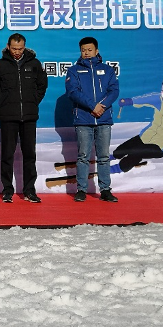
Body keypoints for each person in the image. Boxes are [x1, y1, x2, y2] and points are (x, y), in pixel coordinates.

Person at [0, 33, 48, 203]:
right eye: (14, 48)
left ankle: (29, 190)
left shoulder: (34, 64)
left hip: (29, 116)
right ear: (8, 46)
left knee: (30, 155)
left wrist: (33, 101)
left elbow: (42, 86)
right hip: (8, 116)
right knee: (7, 154)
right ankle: (7, 190)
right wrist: (3, 104)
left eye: (20, 49)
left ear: (24, 47)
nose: (17, 52)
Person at [64, 36, 120, 203]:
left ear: (96, 51)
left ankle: (105, 190)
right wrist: (92, 106)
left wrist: (102, 106)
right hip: (83, 119)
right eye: (83, 50)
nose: (86, 53)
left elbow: (114, 91)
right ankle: (81, 189)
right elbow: (73, 92)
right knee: (83, 156)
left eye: (89, 50)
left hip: (103, 118)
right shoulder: (74, 71)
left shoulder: (107, 70)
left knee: (104, 157)